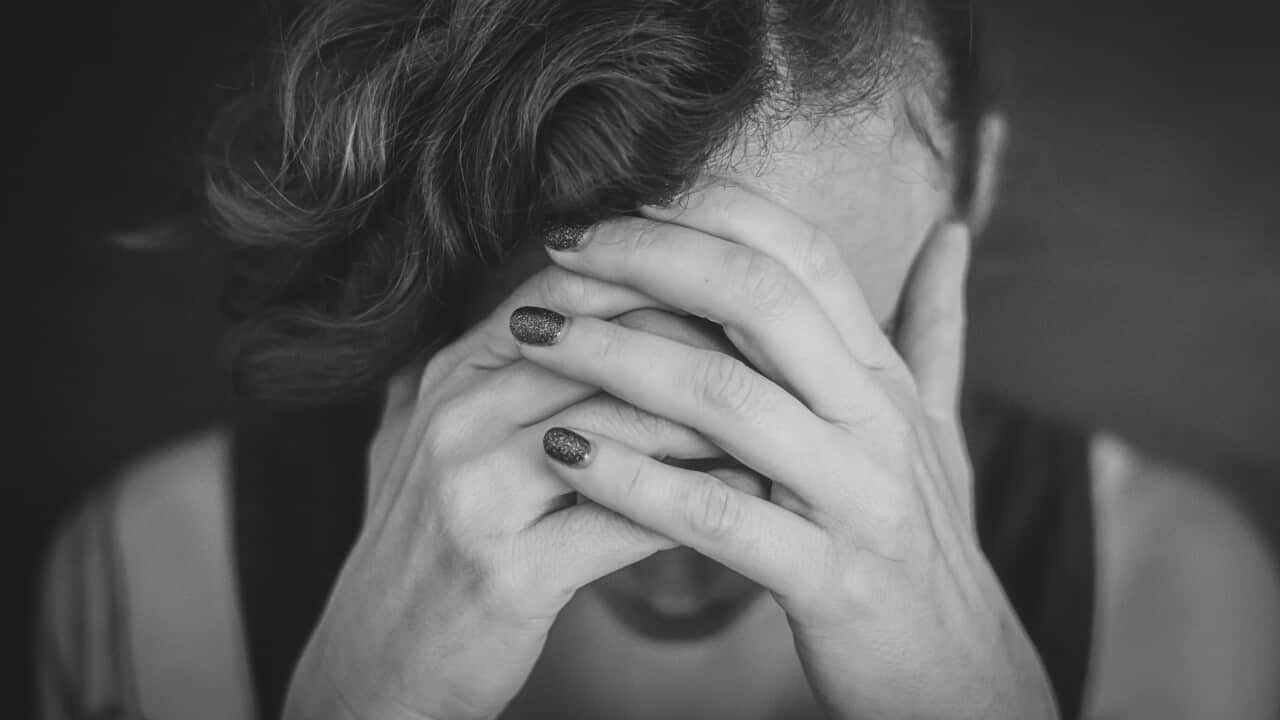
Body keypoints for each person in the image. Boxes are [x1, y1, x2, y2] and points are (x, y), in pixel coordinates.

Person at [37, 0, 1280, 718]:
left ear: (975, 186)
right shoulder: (159, 580)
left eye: (801, 366)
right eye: (590, 379)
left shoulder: (1168, 591)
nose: (688, 534)